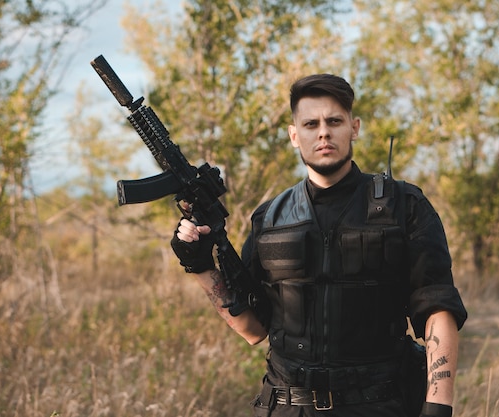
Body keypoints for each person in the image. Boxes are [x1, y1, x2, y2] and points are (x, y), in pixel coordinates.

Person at [171, 74, 468, 417]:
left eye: (334, 121)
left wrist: (438, 406)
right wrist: (199, 264)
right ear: (295, 135)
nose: (323, 132)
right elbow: (253, 329)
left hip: (378, 404)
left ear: (354, 128)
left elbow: (437, 307)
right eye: (311, 123)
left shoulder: (404, 204)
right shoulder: (270, 218)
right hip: (287, 407)